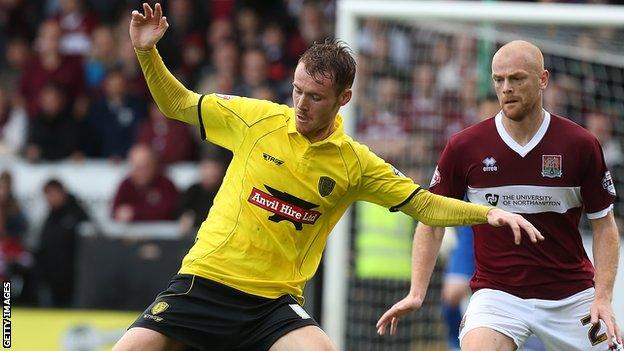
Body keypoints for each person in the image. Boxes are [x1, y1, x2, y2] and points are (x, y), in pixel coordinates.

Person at [115, 4, 542, 351]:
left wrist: (488, 214)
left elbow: (424, 203)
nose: (300, 104)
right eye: (297, 90)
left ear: (344, 99)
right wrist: (147, 51)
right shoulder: (256, 119)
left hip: (272, 305)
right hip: (206, 282)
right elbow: (178, 104)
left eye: (315, 97)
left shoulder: (354, 163)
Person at [376, 40, 623, 351]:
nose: (506, 88)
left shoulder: (580, 144)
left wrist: (602, 297)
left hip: (571, 295)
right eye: (499, 80)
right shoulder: (465, 147)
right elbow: (431, 220)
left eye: (517, 78)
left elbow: (604, 225)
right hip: (498, 296)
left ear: (543, 79)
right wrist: (416, 292)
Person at [36, 179, 90, 307]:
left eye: (53, 194)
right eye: (48, 195)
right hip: (51, 279)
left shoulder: (77, 214)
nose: (51, 198)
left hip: (73, 280)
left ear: (62, 193)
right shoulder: (50, 216)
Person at [111, 144, 178, 222]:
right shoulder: (126, 184)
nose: (139, 172)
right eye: (136, 167)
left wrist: (134, 214)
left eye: (143, 167)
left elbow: (167, 212)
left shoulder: (166, 184)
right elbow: (115, 211)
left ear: (153, 165)